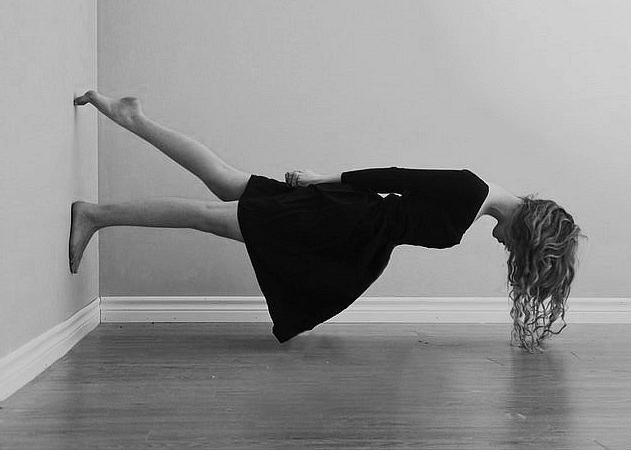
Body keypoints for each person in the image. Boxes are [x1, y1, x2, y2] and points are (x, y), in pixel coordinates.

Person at [70, 90, 583, 353]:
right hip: (339, 220)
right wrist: (321, 180)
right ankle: (94, 215)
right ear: (525, 232)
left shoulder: (477, 205)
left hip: (348, 227)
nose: (508, 251)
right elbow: (394, 176)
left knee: (225, 183)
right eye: (517, 250)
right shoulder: (471, 190)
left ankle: (132, 116)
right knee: (211, 216)